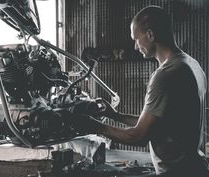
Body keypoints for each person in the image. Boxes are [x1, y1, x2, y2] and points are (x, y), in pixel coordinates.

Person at [74, 6, 208, 177]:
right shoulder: (192, 65)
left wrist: (95, 127)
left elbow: (139, 136)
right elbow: (157, 126)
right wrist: (115, 115)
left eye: (136, 39)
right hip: (195, 167)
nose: (136, 47)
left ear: (151, 35)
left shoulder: (166, 75)